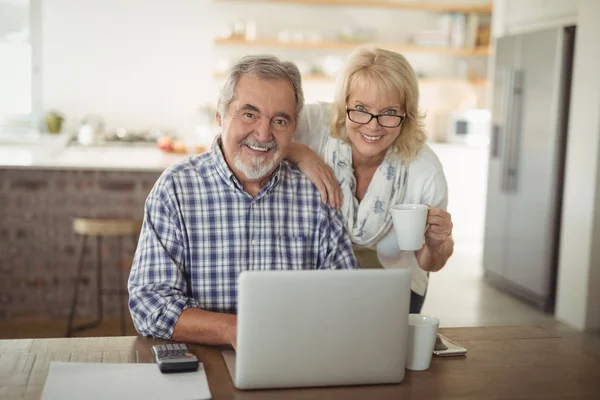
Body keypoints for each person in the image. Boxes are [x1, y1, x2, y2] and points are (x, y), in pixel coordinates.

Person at [128, 55, 357, 348]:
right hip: (200, 366)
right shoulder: (176, 189)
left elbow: (348, 298)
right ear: (220, 115)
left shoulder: (315, 195)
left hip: (293, 362)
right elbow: (149, 303)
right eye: (249, 114)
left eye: (280, 120)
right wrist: (231, 330)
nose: (263, 133)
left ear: (293, 127)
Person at [288, 47, 454, 313]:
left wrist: (437, 243)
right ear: (344, 104)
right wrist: (300, 153)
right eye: (361, 109)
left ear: (406, 114)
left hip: (395, 290)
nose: (373, 126)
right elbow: (247, 140)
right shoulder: (315, 123)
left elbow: (430, 262)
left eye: (389, 112)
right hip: (320, 284)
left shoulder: (424, 170)